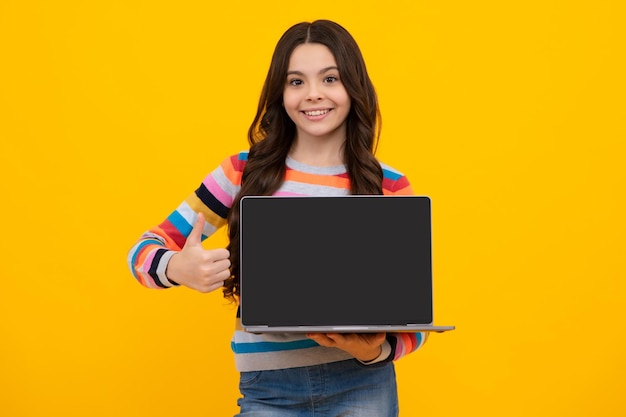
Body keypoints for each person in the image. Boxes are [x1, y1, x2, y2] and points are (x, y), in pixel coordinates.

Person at [127, 19, 428, 416]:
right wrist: (178, 267)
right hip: (268, 393)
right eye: (296, 81)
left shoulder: (388, 184)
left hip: (363, 386)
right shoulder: (241, 172)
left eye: (330, 78)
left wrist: (373, 350)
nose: (313, 95)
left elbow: (415, 320)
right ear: (280, 92)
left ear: (354, 87)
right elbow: (141, 254)